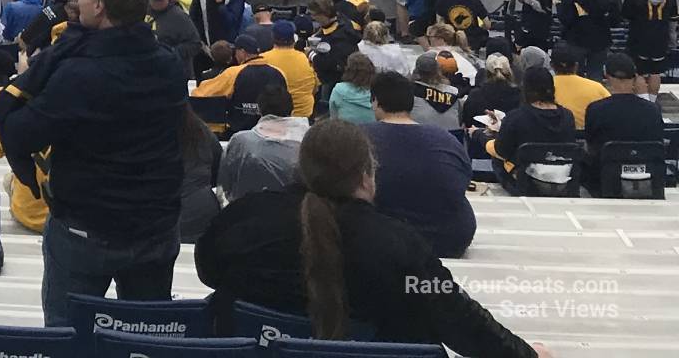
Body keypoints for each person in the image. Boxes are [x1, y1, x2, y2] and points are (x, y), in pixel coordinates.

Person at [197, 119, 536, 356]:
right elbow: (459, 319)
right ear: (366, 175)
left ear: (300, 168)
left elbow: (208, 272)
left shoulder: (240, 219)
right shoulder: (402, 245)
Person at [0, 0, 185, 323]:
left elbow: (18, 131)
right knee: (142, 339)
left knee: (69, 340)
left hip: (87, 230)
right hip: (156, 228)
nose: (75, 0)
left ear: (98, 7)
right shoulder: (169, 64)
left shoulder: (78, 73)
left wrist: (30, 77)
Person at [366, 72, 476, 257]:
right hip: (449, 238)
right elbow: (463, 181)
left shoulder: (359, 137)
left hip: (386, 238)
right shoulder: (446, 139)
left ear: (376, 101)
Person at [581, 51, 666, 191]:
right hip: (647, 178)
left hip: (603, 181)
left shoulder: (596, 109)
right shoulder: (653, 110)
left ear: (606, 75)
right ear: (635, 77)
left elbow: (590, 146)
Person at [488, 66, 579, 193]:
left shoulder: (516, 117)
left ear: (525, 88)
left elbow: (502, 151)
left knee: (497, 157)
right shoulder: (568, 116)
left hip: (528, 183)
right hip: (563, 177)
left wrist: (485, 138)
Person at [218, 78, 305, 197]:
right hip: (295, 210)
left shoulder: (241, 142)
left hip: (246, 210)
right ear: (291, 109)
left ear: (259, 109)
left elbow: (225, 184)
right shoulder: (308, 141)